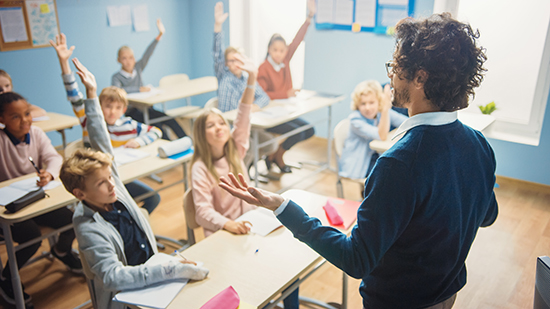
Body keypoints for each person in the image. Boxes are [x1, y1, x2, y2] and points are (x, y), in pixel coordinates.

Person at [220, 13, 498, 309]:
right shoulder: (478, 144)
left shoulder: (399, 163)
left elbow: (356, 259)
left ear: (420, 77)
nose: (390, 76)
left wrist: (283, 207)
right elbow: (487, 215)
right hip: (446, 293)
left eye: (396, 66)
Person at [60, 57, 209, 309]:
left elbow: (100, 142)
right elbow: (113, 277)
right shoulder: (86, 226)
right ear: (80, 193)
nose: (112, 185)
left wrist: (92, 92)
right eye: (101, 184)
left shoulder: (112, 188)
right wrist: (169, 271)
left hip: (154, 273)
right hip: (129, 296)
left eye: (110, 177)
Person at [192, 52, 299, 309]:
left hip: (251, 226)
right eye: (211, 125)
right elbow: (202, 212)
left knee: (289, 265)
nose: (219, 127)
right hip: (224, 235)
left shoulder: (236, 150)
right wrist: (227, 224)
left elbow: (243, 113)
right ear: (201, 135)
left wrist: (252, 78)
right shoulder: (200, 168)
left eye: (221, 122)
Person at [51, 33, 161, 214]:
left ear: (124, 109)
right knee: (118, 206)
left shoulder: (128, 125)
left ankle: (133, 228)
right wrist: (64, 64)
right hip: (97, 184)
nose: (111, 111)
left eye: (118, 107)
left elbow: (155, 131)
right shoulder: (89, 122)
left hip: (121, 177)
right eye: (107, 106)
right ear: (99, 106)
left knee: (153, 197)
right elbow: (74, 96)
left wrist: (139, 141)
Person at [0, 92, 82, 306]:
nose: (25, 120)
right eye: (15, 117)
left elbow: (54, 157)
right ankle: (7, 277)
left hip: (36, 199)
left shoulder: (36, 133)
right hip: (11, 207)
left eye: (27, 113)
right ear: (2, 120)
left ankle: (61, 250)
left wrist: (49, 174)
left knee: (73, 220)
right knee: (31, 237)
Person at [212, 2, 278, 174]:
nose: (234, 64)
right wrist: (218, 26)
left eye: (238, 60)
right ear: (226, 64)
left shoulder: (246, 80)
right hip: (229, 124)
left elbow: (264, 97)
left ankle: (245, 167)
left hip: (245, 125)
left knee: (271, 143)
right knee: (249, 146)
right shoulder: (224, 75)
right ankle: (240, 172)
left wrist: (254, 107)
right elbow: (217, 52)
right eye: (230, 61)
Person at [257, 0, 316, 172]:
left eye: (282, 51)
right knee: (296, 132)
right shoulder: (263, 68)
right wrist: (286, 93)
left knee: (308, 130)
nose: (279, 54)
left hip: (284, 111)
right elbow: (263, 95)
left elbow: (297, 40)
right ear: (269, 49)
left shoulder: (285, 60)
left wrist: (309, 17)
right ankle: (278, 156)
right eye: (275, 50)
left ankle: (275, 154)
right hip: (268, 116)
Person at [111, 18, 187, 141]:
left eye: (131, 57)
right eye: (124, 58)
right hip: (133, 112)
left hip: (147, 108)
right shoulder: (116, 77)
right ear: (119, 60)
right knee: (159, 129)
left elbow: (148, 53)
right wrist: (139, 89)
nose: (128, 61)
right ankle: (171, 149)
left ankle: (188, 143)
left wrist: (159, 35)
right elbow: (118, 91)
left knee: (169, 120)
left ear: (134, 59)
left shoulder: (138, 67)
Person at [339, 80, 407, 179]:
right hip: (360, 165)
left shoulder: (380, 113)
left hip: (375, 157)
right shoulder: (355, 120)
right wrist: (385, 108)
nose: (367, 108)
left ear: (378, 102)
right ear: (357, 105)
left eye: (371, 102)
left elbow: (407, 122)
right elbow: (381, 135)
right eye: (363, 104)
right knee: (392, 174)